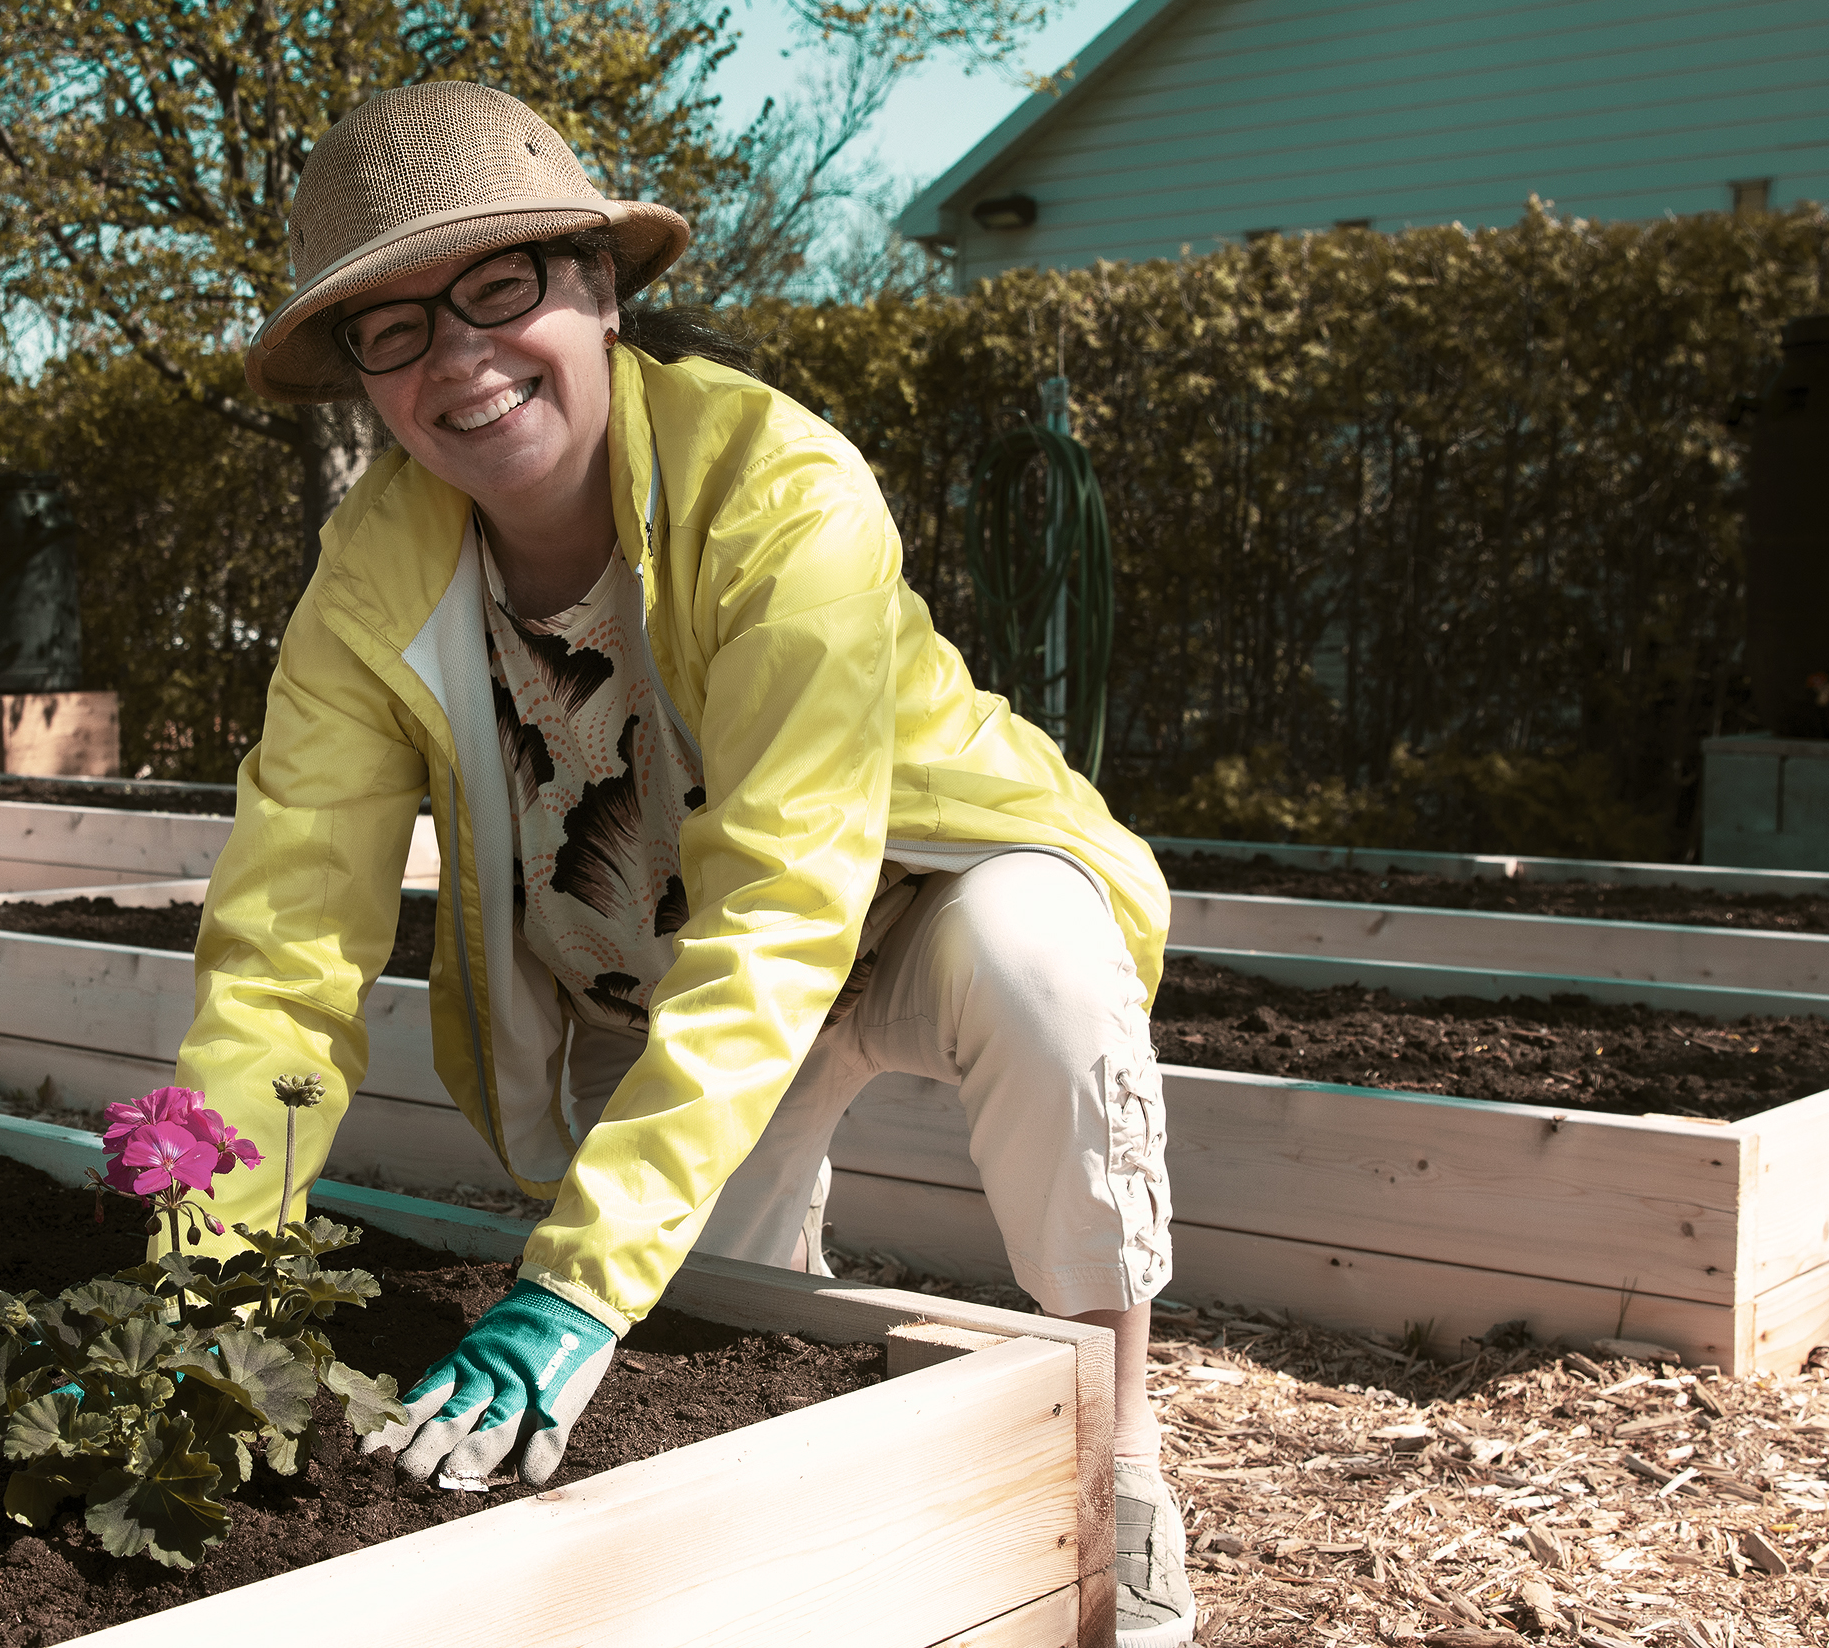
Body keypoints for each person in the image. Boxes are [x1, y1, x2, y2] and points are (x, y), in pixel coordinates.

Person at [175, 81, 1193, 1647]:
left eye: (499, 287)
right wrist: (207, 1274)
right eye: (393, 329)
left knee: (1043, 966)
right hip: (670, 994)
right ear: (364, 380)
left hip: (912, 910)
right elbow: (287, 931)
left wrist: (576, 1276)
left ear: (599, 290)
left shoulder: (778, 491)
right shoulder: (364, 585)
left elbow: (790, 896)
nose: (458, 357)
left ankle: (1119, 1449)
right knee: (717, 1338)